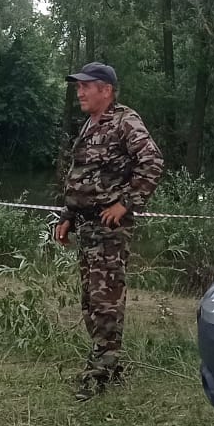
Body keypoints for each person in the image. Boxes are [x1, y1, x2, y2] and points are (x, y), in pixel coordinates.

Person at [54, 62, 164, 398]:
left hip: (109, 228)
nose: (79, 92)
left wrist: (125, 204)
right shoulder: (89, 124)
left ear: (106, 90)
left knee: (106, 301)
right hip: (87, 226)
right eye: (78, 87)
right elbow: (82, 176)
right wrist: (68, 215)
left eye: (85, 86)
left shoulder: (124, 121)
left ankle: (100, 374)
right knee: (91, 299)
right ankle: (108, 365)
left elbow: (152, 162)